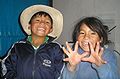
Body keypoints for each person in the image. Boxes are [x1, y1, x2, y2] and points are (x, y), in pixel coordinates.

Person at [4, 5, 64, 79]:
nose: (42, 23)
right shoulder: (18, 47)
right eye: (37, 20)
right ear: (29, 25)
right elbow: (6, 67)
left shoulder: (56, 48)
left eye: (47, 22)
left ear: (51, 29)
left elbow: (61, 72)